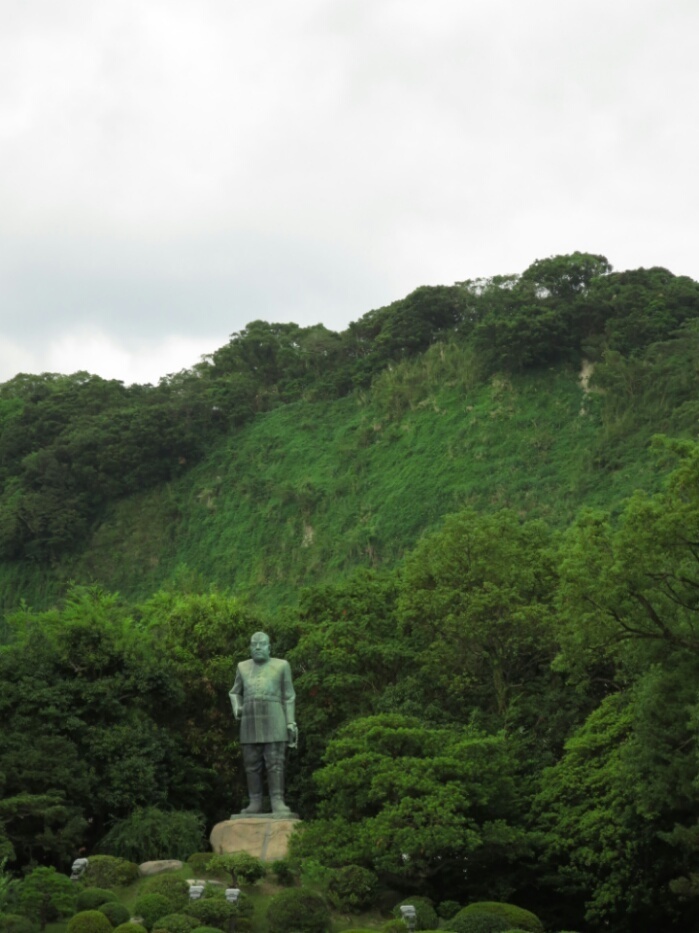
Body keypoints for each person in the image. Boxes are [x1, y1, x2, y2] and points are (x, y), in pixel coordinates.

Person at [229, 631, 297, 816]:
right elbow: (234, 692)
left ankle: (277, 801)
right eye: (254, 644)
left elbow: (289, 695)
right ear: (250, 647)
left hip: (275, 716)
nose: (258, 647)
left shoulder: (282, 665)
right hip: (250, 719)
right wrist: (238, 708)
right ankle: (255, 801)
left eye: (262, 644)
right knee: (251, 762)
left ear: (269, 647)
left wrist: (290, 722)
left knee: (275, 762)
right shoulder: (242, 667)